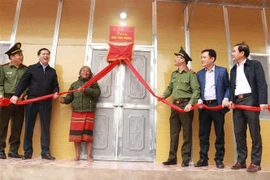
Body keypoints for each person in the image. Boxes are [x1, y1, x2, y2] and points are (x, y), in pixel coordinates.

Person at [10, 48, 59, 160]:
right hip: (32, 101)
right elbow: (23, 83)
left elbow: (55, 85)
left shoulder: (52, 71)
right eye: (43, 54)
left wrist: (56, 92)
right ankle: (28, 152)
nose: (45, 56)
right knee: (29, 126)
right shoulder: (32, 68)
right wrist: (16, 95)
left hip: (46, 103)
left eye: (47, 54)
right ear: (39, 56)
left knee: (46, 128)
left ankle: (45, 152)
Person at [229, 42, 268, 172]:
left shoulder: (255, 65)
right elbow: (231, 87)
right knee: (239, 132)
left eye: (234, 51)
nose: (232, 53)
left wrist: (262, 101)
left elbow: (262, 83)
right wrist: (230, 100)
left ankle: (256, 162)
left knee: (254, 132)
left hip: (250, 99)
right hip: (237, 101)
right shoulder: (233, 69)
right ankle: (241, 160)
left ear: (242, 53)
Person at [159, 47, 200, 167]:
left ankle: (186, 159)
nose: (175, 59)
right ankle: (172, 158)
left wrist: (190, 104)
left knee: (187, 133)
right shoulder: (174, 74)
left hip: (185, 105)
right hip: (174, 105)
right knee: (174, 133)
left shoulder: (191, 74)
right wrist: (163, 95)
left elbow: (196, 90)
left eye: (177, 57)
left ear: (182, 60)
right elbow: (170, 88)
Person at [194, 49, 230, 169]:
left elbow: (228, 87)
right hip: (204, 107)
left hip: (217, 106)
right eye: (201, 57)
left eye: (204, 57)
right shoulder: (199, 74)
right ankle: (203, 158)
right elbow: (197, 90)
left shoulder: (222, 71)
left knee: (219, 134)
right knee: (203, 134)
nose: (202, 59)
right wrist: (198, 99)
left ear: (212, 59)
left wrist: (226, 98)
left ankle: (219, 159)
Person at [59, 66, 100, 162]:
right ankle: (77, 155)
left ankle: (89, 156)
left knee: (88, 136)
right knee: (76, 136)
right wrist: (64, 100)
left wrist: (85, 90)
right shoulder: (74, 84)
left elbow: (97, 94)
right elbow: (70, 97)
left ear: (89, 74)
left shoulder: (93, 83)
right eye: (83, 70)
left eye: (87, 71)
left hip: (88, 111)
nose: (85, 72)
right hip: (77, 112)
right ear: (80, 72)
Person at [0, 42, 27, 159]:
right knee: (2, 124)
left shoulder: (26, 69)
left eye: (21, 54)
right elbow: (0, 83)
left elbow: (28, 85)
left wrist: (23, 94)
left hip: (20, 100)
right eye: (18, 55)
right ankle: (0, 149)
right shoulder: (3, 68)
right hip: (6, 99)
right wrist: (1, 95)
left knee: (17, 125)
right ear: (11, 57)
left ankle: (13, 150)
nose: (21, 56)